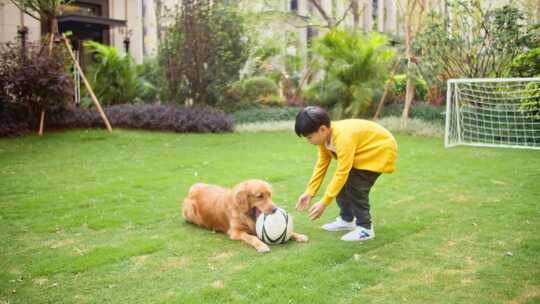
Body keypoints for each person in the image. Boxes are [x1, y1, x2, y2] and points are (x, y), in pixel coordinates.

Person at [295, 106, 397, 241]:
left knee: (355, 187)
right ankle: (347, 220)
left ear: (323, 129)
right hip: (362, 153)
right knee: (342, 186)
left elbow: (342, 172)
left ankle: (365, 229)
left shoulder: (343, 137)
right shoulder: (324, 140)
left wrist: (324, 202)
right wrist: (310, 192)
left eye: (309, 137)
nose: (309, 141)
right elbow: (322, 165)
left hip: (379, 151)